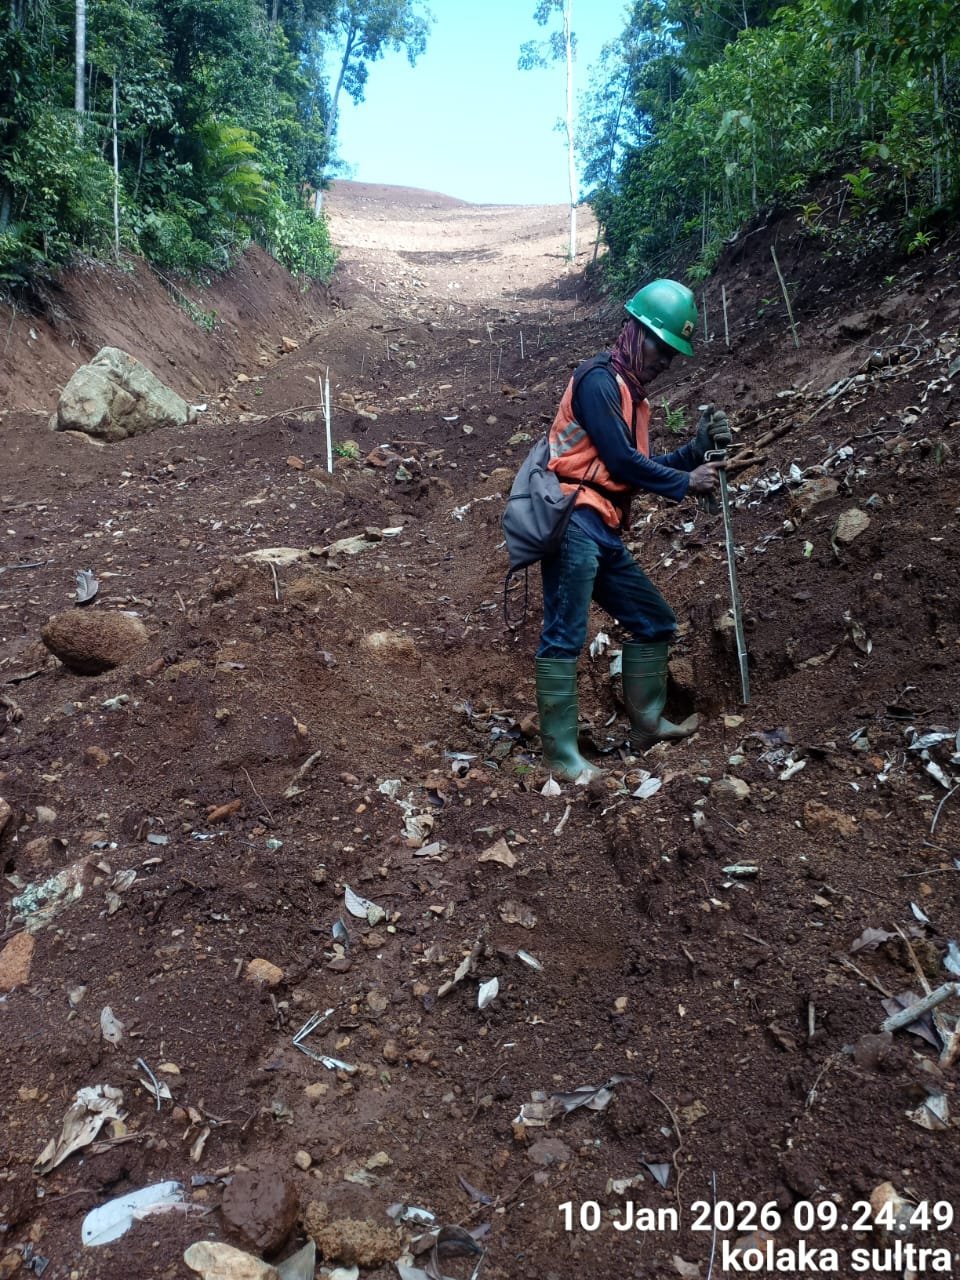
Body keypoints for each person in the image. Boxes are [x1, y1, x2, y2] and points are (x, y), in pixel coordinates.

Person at [535, 278, 731, 782]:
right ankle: (561, 756)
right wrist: (687, 482)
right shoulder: (600, 381)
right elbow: (623, 462)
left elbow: (634, 468)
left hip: (600, 527)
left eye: (672, 353)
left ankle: (645, 726)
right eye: (660, 347)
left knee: (654, 621)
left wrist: (693, 451)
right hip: (573, 520)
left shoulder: (630, 395)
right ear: (634, 331)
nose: (664, 360)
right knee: (565, 635)